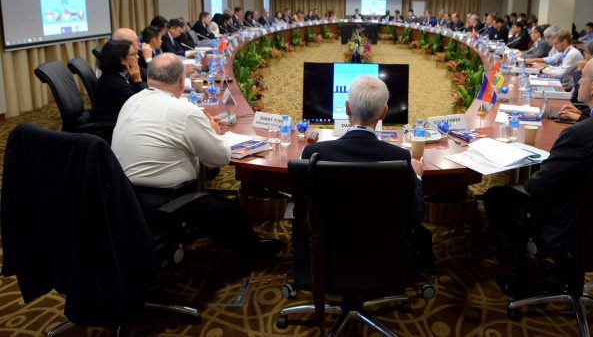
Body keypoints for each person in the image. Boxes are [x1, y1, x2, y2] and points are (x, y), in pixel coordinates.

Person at [483, 52, 593, 297]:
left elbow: (536, 189)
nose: (578, 81)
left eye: (582, 77)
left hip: (572, 225)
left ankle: (523, 281)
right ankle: (563, 271)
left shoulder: (580, 134)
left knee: (496, 197)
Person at [111, 53, 283, 260]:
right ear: (181, 81)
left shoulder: (131, 101)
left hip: (123, 198)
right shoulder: (183, 111)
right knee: (229, 210)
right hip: (165, 202)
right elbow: (218, 158)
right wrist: (213, 133)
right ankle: (254, 253)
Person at [301, 75, 434, 275]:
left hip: (326, 256)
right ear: (384, 113)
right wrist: (417, 177)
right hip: (384, 257)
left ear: (347, 108)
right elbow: (416, 215)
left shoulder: (313, 154)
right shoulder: (399, 157)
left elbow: (303, 206)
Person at [91, 40, 147, 123]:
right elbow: (143, 105)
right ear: (122, 60)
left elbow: (149, 75)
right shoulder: (114, 83)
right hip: (116, 125)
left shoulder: (124, 73)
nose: (137, 57)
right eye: (133, 54)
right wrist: (138, 80)